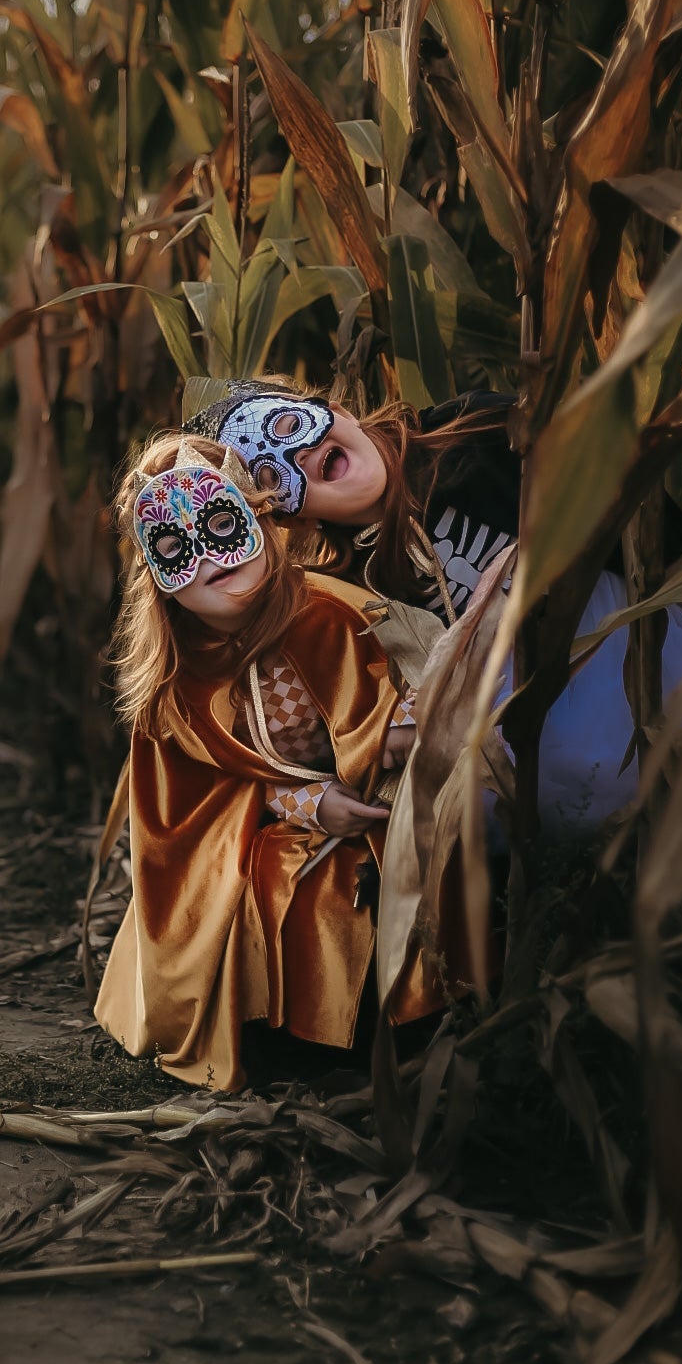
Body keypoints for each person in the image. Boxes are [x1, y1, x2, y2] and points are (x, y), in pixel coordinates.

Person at [186, 379, 682, 834]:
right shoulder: (347, 594)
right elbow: (315, 724)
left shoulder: (480, 432)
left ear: (336, 411)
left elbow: (631, 508)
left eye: (285, 427)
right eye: (270, 476)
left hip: (636, 659)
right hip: (518, 752)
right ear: (288, 518)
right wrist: (315, 793)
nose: (297, 456)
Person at [92, 432, 430, 1093]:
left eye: (222, 523)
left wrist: (396, 735)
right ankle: (279, 1041)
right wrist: (308, 802)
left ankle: (384, 1031)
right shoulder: (177, 683)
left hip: (384, 813)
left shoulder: (338, 615)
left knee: (355, 882)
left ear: (261, 517)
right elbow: (198, 802)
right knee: (269, 876)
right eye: (172, 549)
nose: (207, 555)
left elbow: (404, 708)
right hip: (258, 837)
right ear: (156, 581)